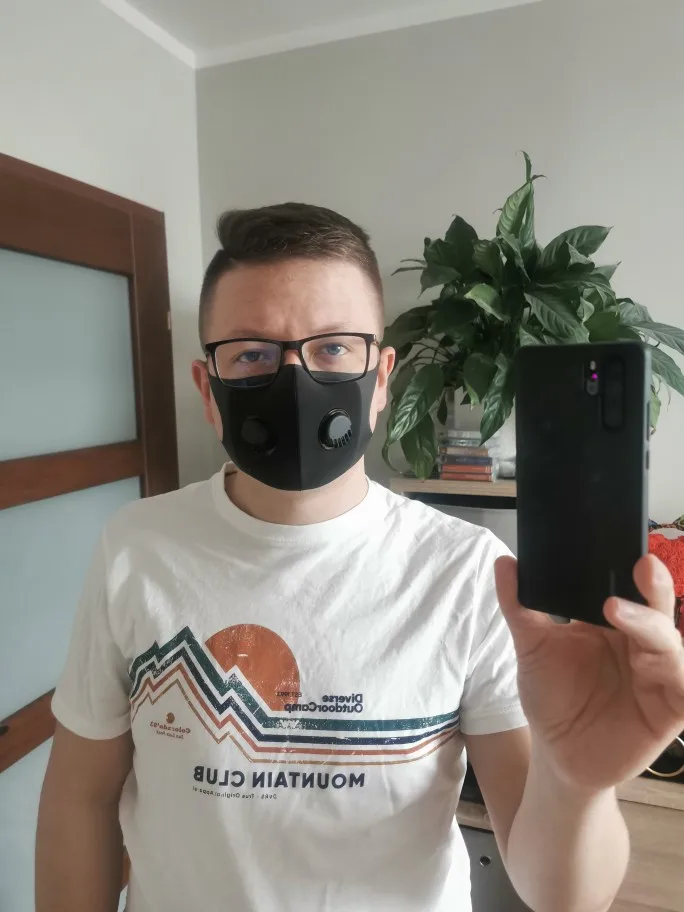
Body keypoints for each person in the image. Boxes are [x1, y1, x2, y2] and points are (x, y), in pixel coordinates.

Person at [37, 203, 684, 912]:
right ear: (208, 390)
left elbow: (564, 895)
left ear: (380, 380)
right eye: (251, 353)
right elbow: (80, 798)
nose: (294, 378)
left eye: (334, 348)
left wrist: (577, 784)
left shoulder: (469, 573)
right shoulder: (136, 547)